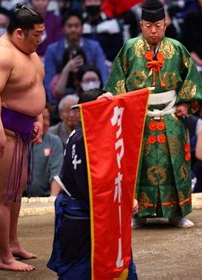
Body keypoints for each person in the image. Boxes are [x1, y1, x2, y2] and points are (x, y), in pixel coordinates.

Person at [103, 0, 202, 228]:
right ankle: (137, 212)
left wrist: (184, 103)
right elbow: (117, 83)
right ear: (141, 25)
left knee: (176, 165)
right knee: (138, 165)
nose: (153, 31)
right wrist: (126, 109)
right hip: (138, 118)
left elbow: (191, 80)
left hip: (171, 116)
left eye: (157, 26)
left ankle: (177, 213)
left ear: (165, 24)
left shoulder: (177, 48)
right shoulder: (129, 48)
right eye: (148, 26)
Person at [0, 3, 45, 272]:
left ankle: (13, 242)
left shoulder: (29, 51)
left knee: (18, 187)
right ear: (19, 33)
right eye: (35, 34)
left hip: (21, 128)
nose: (40, 39)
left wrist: (37, 117)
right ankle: (5, 257)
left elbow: (35, 85)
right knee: (4, 194)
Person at [47, 88, 138, 279]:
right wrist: (119, 202)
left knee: (120, 263)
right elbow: (84, 187)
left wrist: (125, 198)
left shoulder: (110, 135)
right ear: (83, 112)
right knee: (78, 270)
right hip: (81, 208)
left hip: (103, 207)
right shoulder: (81, 139)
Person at [31, 107, 63, 197]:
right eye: (42, 118)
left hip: (46, 196)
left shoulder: (54, 141)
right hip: (17, 197)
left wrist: (52, 198)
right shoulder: (19, 140)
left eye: (48, 118)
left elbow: (57, 172)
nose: (46, 123)